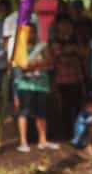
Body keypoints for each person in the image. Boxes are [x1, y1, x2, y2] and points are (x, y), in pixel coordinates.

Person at [12, 24, 58, 153]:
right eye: (28, 32)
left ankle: (43, 140)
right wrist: (41, 65)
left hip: (42, 85)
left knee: (42, 113)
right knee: (24, 112)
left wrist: (35, 65)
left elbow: (50, 63)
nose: (31, 35)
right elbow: (23, 66)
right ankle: (23, 142)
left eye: (33, 32)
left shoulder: (42, 47)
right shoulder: (20, 48)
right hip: (25, 85)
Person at [49, 13, 89, 140]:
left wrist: (71, 51)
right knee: (66, 108)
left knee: (78, 107)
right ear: (58, 26)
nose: (66, 27)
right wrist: (73, 53)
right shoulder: (55, 41)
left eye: (69, 24)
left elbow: (84, 54)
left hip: (77, 79)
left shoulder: (75, 40)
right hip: (63, 81)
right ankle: (67, 134)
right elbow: (62, 60)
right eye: (63, 24)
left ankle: (79, 133)